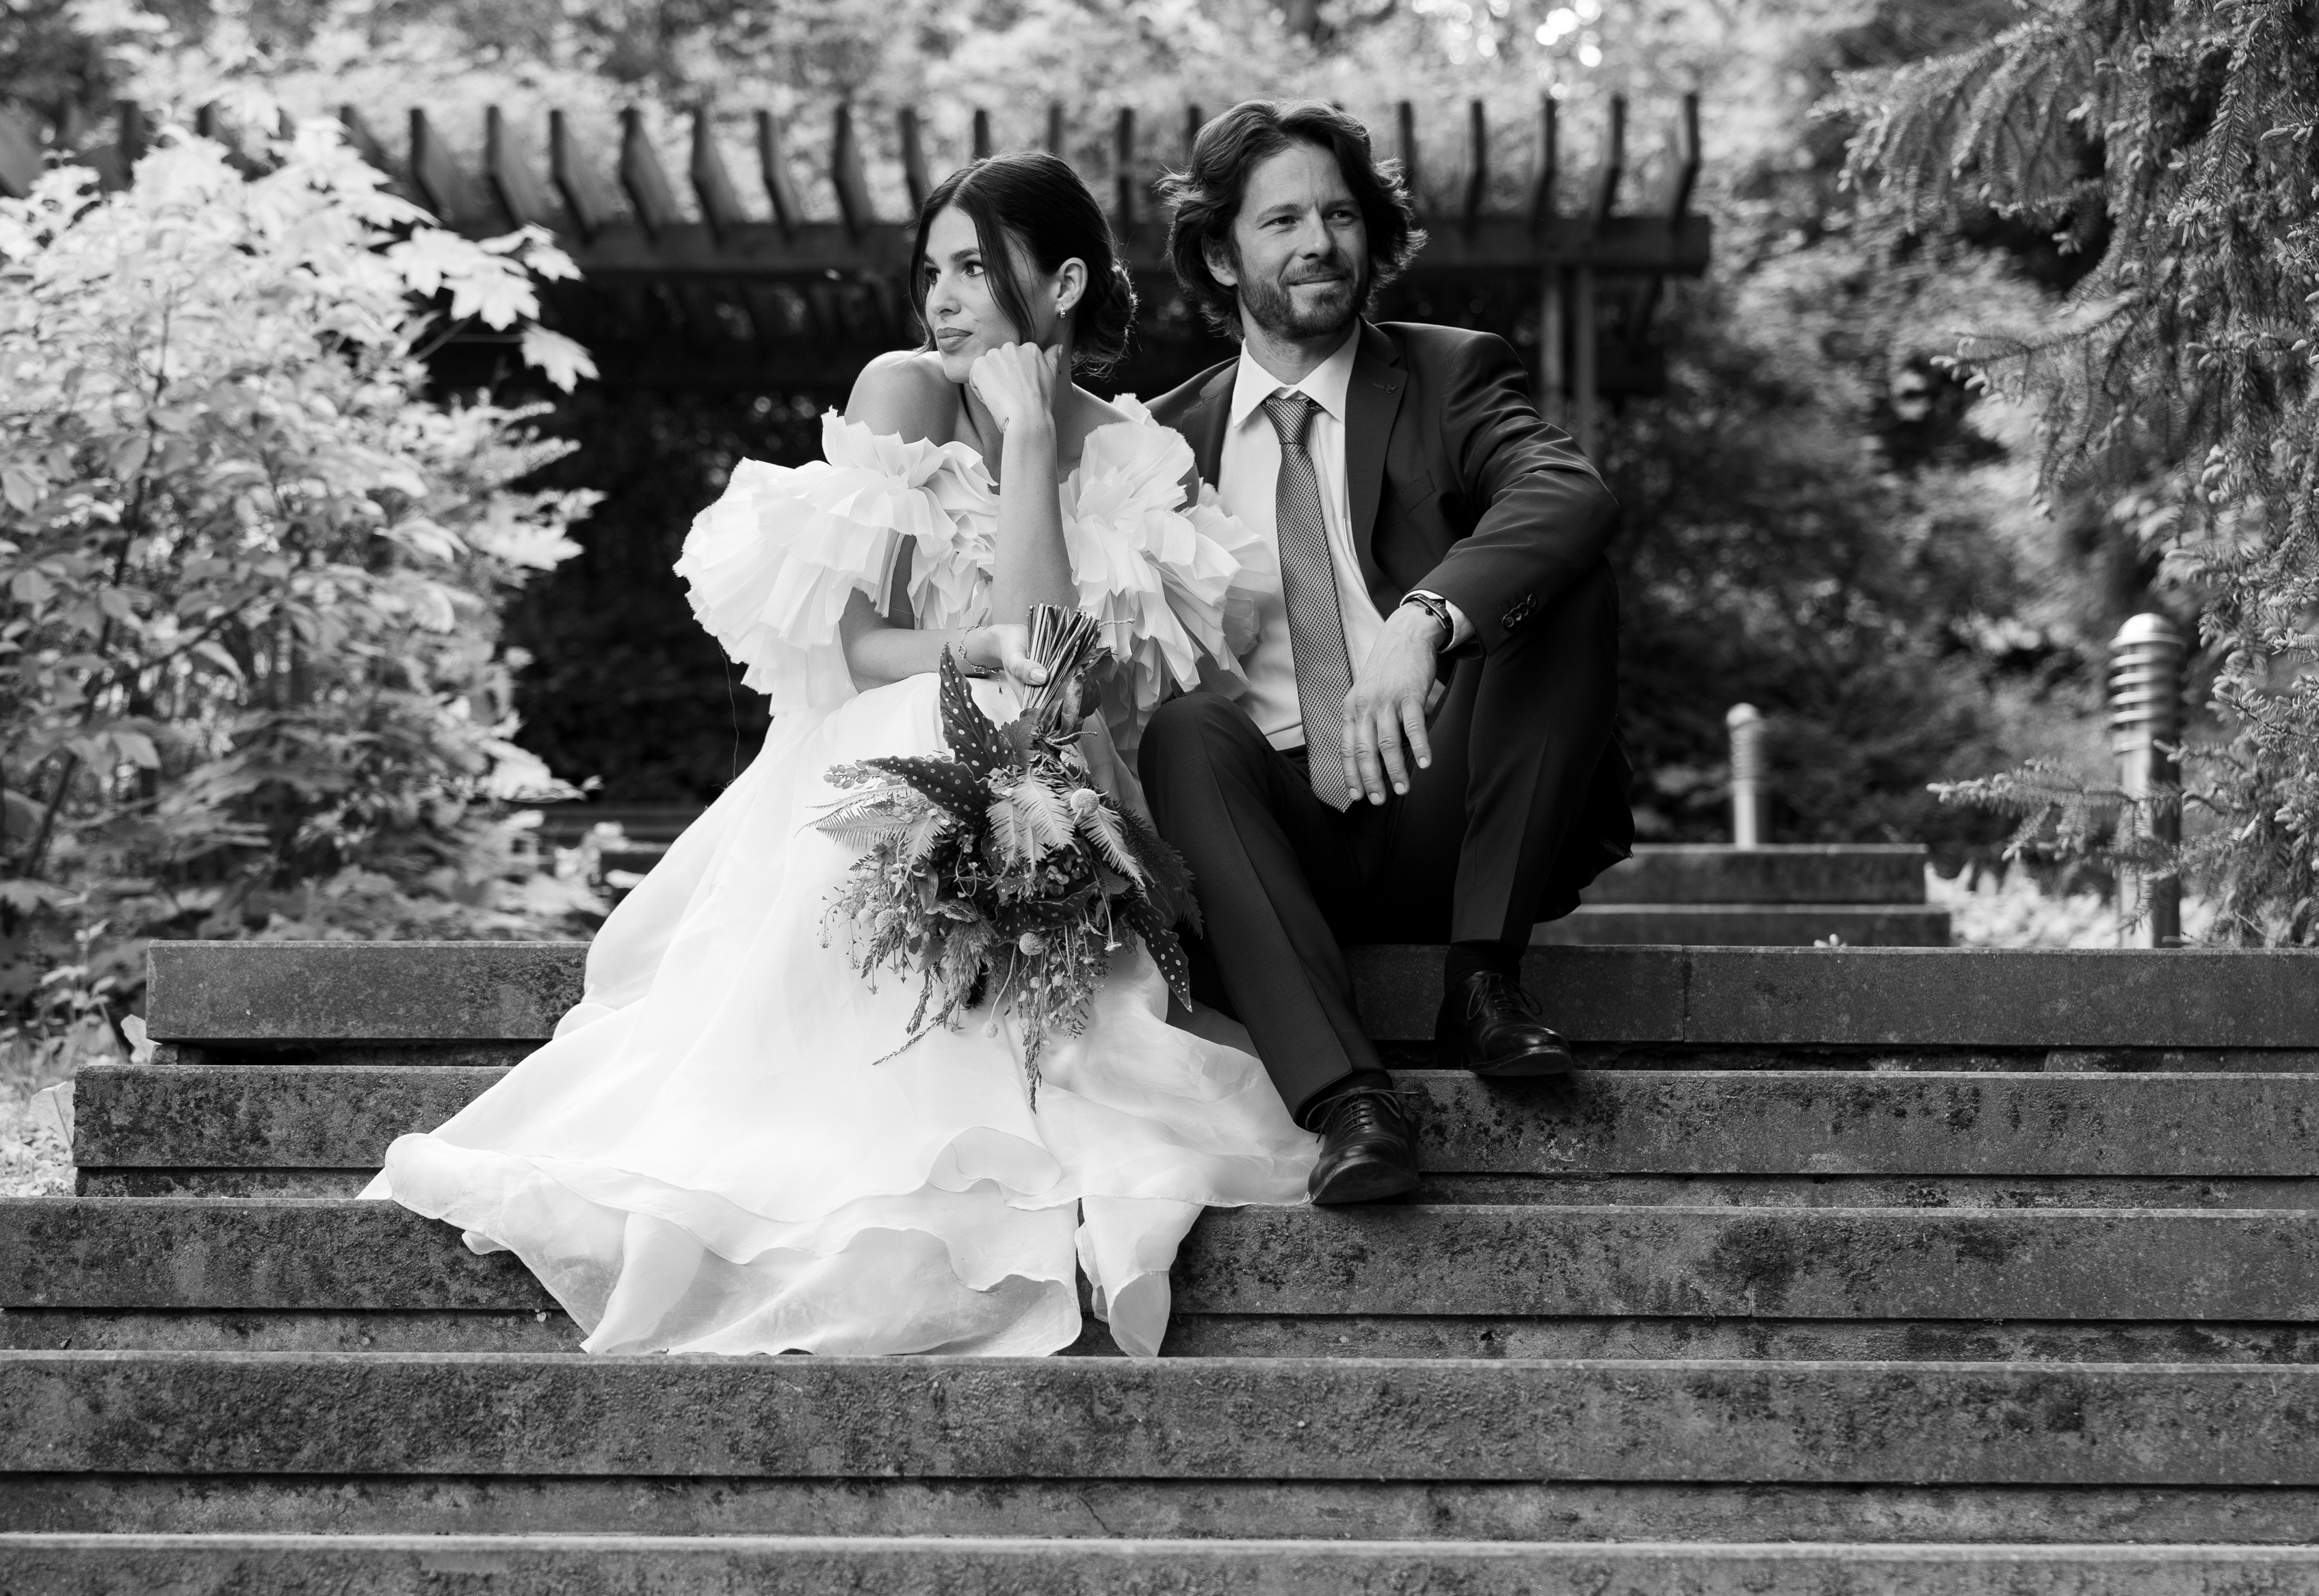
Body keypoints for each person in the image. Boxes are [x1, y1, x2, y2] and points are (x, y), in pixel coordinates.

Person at [364, 152, 1315, 1359]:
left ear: (1065, 283)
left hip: (1049, 776)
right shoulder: (903, 390)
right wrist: (979, 649)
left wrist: (1032, 437)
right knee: (944, 712)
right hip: (882, 744)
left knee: (1032, 761)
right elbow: (867, 648)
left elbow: (1060, 672)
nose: (943, 300)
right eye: (933, 272)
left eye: (974, 269)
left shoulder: (1131, 450)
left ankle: (1034, 1102)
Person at [1140, 100, 1634, 1206]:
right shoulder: (1159, 442)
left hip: (1442, 803)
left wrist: (1426, 618)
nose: (1318, 242)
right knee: (1183, 731)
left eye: (1339, 215)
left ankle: (1483, 978)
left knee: (1561, 582)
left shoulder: (1451, 373)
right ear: (1221, 254)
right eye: (1281, 222)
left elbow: (1567, 490)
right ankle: (1351, 1102)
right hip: (1271, 840)